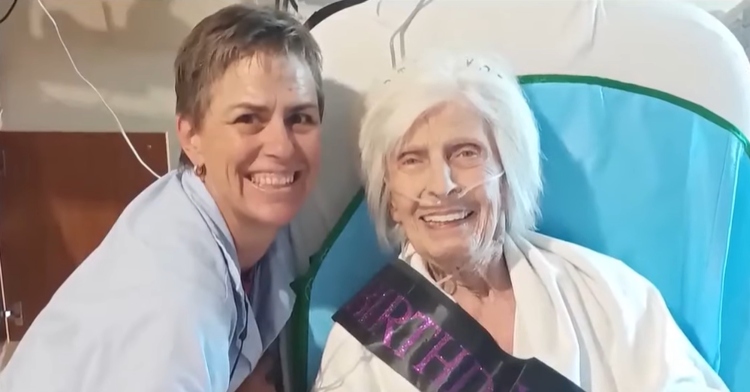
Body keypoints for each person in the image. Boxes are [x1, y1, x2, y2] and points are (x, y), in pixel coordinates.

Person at [313, 52, 728, 391]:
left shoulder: (605, 295)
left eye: (466, 152)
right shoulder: (361, 345)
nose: (440, 186)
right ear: (391, 200)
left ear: (510, 176)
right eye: (411, 159)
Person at [0, 5, 322, 392]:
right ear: (191, 137)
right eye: (248, 118)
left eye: (300, 118)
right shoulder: (175, 305)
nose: (281, 147)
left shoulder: (224, 218)